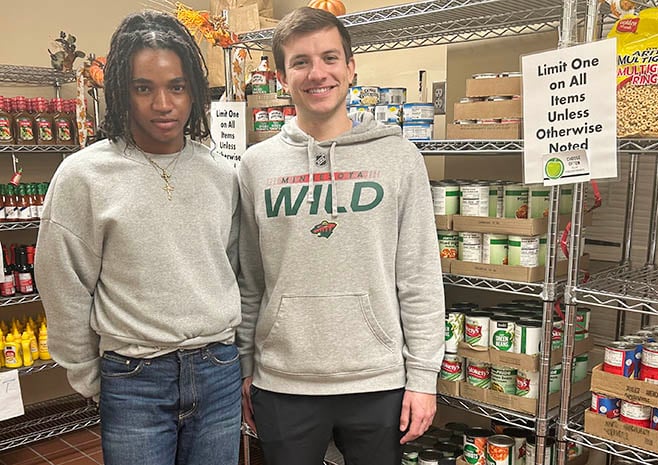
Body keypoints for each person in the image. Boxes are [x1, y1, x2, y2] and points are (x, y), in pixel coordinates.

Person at [236, 6, 445, 464]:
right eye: (300, 62)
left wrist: (424, 377)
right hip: (283, 381)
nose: (317, 73)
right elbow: (250, 281)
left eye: (330, 58)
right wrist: (246, 368)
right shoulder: (256, 165)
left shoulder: (398, 156)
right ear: (281, 76)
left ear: (351, 68)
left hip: (377, 381)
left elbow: (420, 276)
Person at [35, 11, 242, 465]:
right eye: (143, 87)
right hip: (133, 377)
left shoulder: (221, 174)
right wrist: (87, 373)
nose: (163, 103)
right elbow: (62, 280)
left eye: (177, 86)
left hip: (219, 372)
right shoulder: (85, 176)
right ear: (121, 93)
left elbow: (235, 269)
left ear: (194, 92)